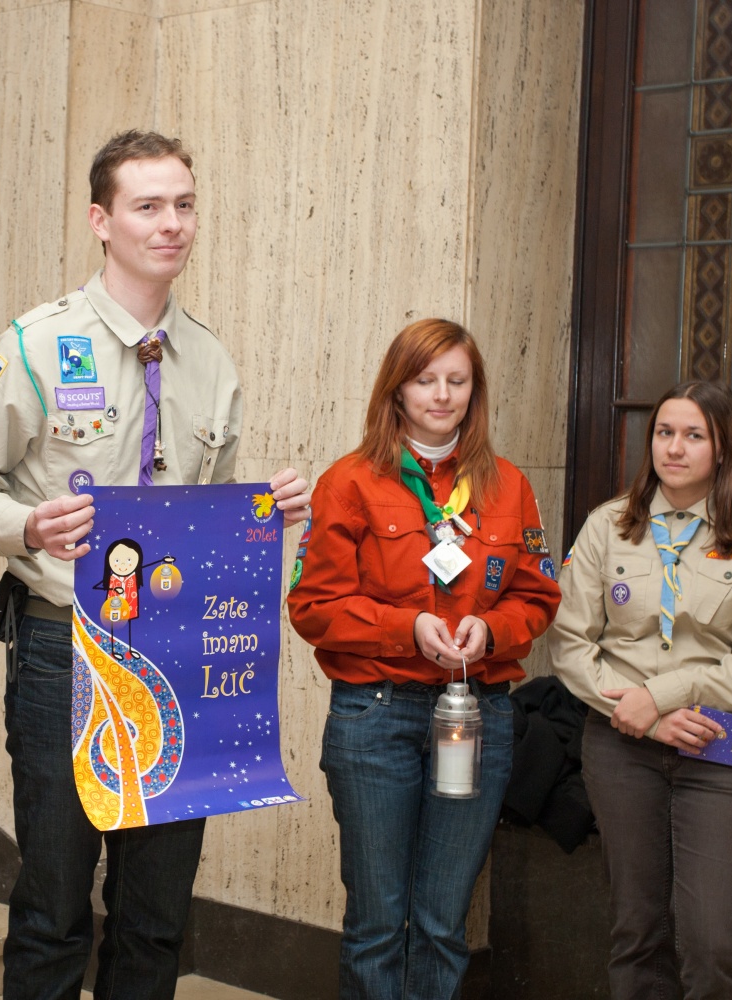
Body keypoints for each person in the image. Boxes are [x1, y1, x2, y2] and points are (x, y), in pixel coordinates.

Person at [0, 129, 311, 1000]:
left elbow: (205, 520)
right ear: (100, 221)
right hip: (60, 648)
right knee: (54, 908)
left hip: (175, 658)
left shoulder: (210, 360)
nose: (172, 224)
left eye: (185, 204)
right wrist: (29, 525)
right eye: (149, 206)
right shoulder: (37, 344)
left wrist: (264, 516)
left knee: (155, 917)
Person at [287, 318, 561, 1000]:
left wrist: (491, 632)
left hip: (477, 718)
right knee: (377, 923)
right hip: (374, 717)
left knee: (442, 923)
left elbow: (537, 595)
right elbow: (312, 607)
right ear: (397, 389)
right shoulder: (347, 484)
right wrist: (408, 628)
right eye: (425, 380)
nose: (441, 395)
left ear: (475, 391)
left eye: (457, 381)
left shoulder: (510, 486)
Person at [550, 380, 732, 1000]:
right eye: (664, 432)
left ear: (723, 447)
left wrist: (665, 696)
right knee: (637, 932)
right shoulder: (609, 526)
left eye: (694, 435)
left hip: (719, 746)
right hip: (621, 745)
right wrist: (641, 714)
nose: (674, 448)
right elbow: (571, 644)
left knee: (714, 941)